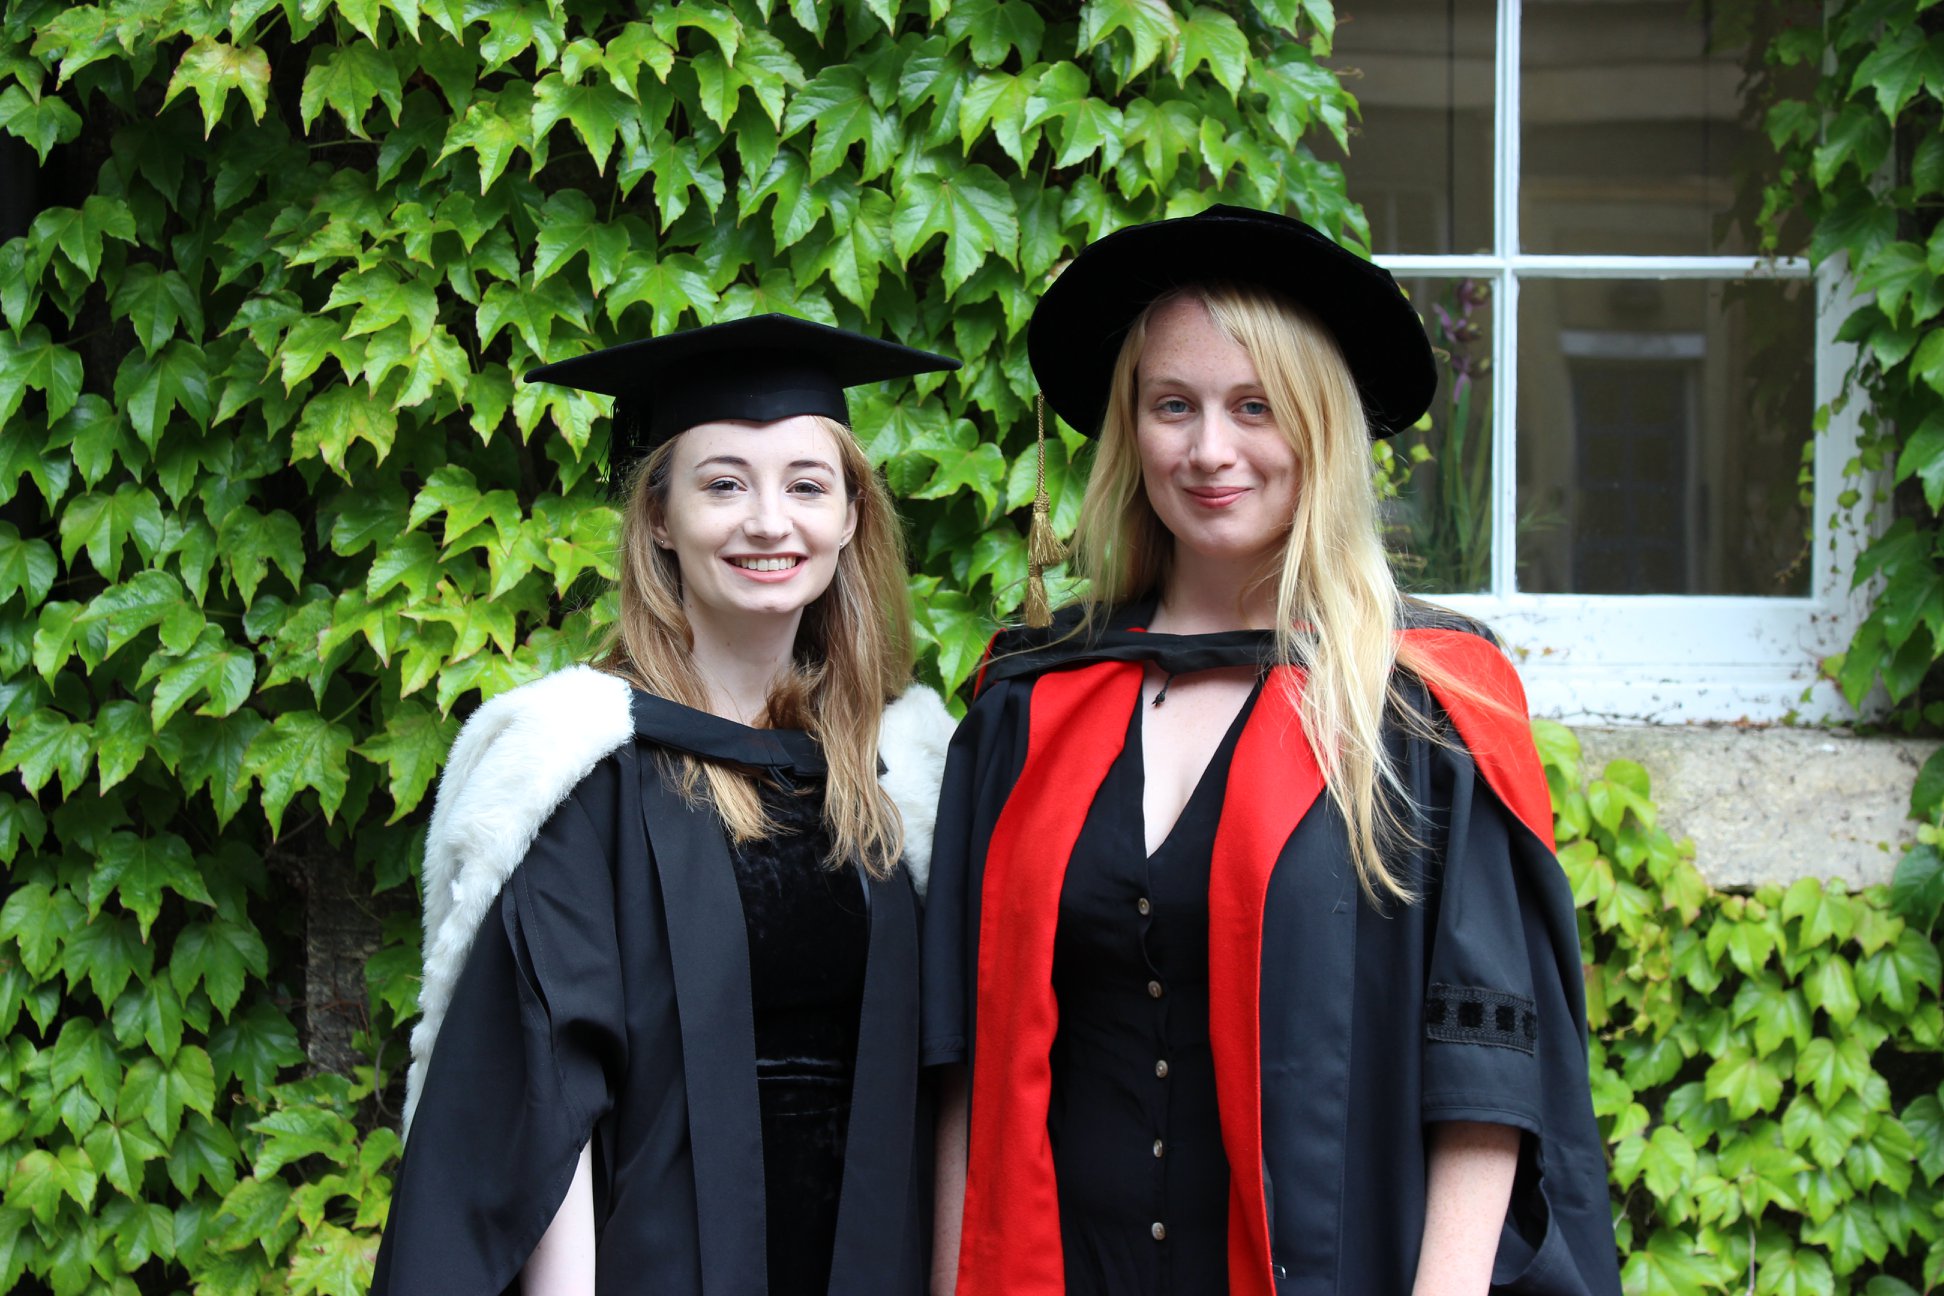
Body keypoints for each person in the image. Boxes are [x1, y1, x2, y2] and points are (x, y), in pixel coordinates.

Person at [922, 207, 1622, 1296]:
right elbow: (963, 1055)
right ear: (1132, 430)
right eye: (1173, 406)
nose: (1210, 450)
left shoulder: (1421, 710)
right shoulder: (1028, 704)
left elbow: (1486, 1078)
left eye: (1255, 407)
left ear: (1320, 430)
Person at [373, 314, 959, 1296]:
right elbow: (545, 1100)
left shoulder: (905, 776)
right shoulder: (588, 770)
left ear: (851, 516)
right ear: (659, 516)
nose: (769, 521)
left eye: (807, 485)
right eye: (723, 483)